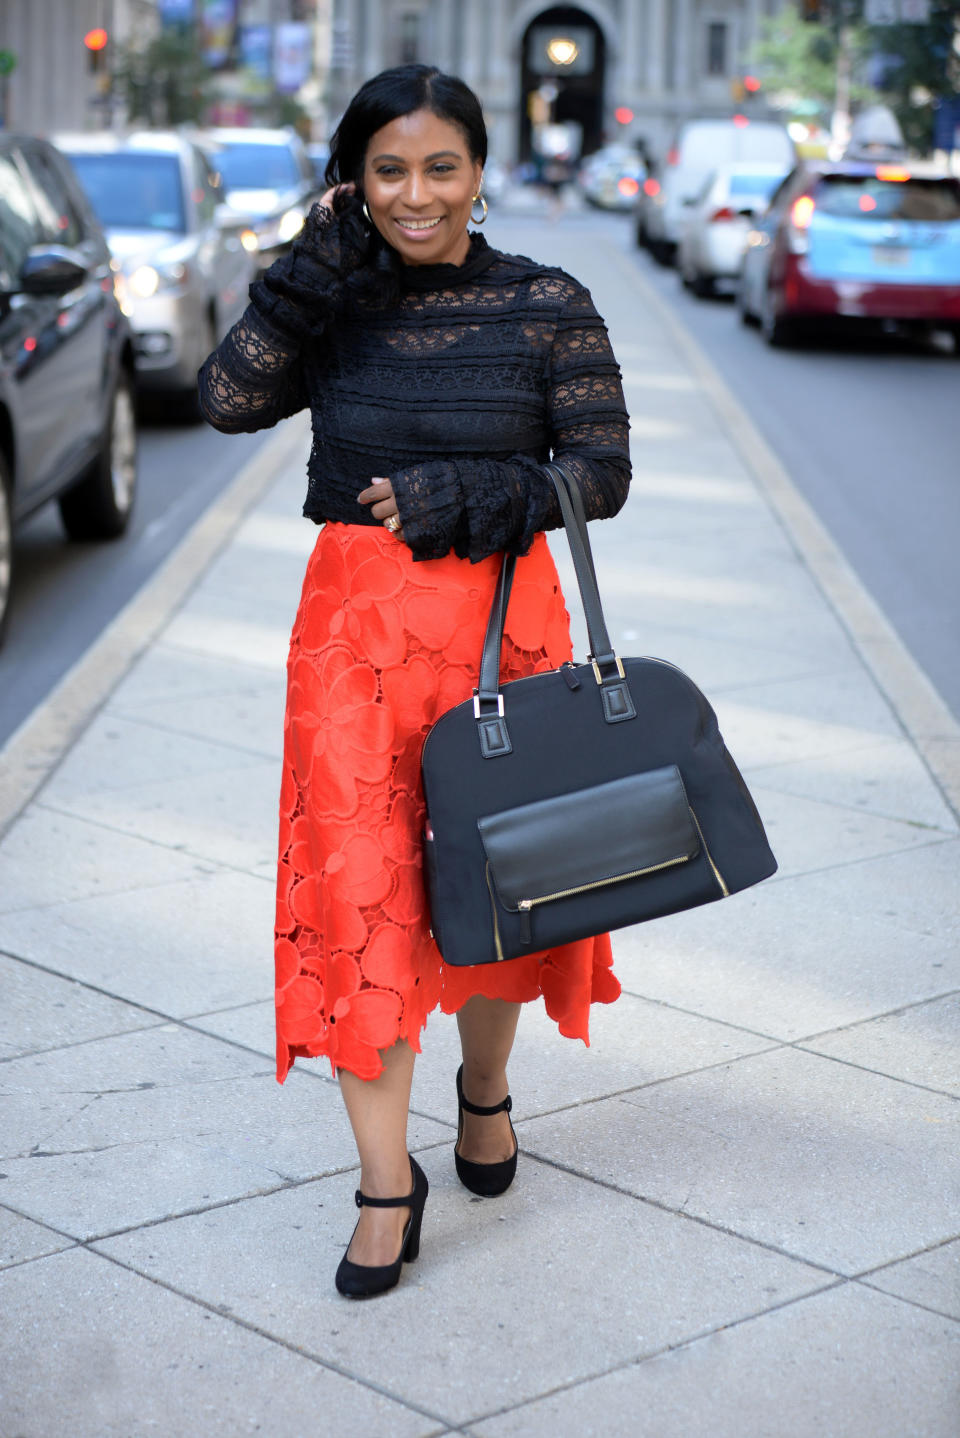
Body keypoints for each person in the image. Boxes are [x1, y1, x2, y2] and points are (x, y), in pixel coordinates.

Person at [198, 63, 631, 1299]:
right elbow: (227, 399)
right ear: (354, 178)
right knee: (359, 897)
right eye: (388, 169)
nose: (417, 193)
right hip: (352, 641)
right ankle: (387, 1181)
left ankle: (484, 1088)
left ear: (481, 173)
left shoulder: (549, 302)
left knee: (501, 886)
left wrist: (467, 498)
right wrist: (309, 267)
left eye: (441, 167)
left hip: (505, 626)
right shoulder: (328, 302)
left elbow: (599, 472)